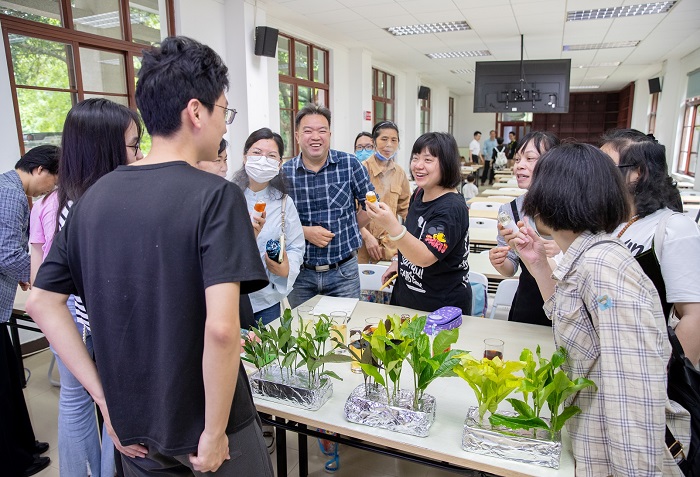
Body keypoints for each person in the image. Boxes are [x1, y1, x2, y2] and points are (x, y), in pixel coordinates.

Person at [28, 36, 273, 476]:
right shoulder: (216, 196)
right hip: (209, 424)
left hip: (133, 426)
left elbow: (42, 302)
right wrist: (214, 431)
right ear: (196, 111)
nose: (224, 124)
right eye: (224, 110)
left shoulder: (91, 199)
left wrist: (105, 400)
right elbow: (222, 330)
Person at [514, 142, 690, 476]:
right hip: (588, 442)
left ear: (550, 197)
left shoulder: (603, 266)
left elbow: (633, 393)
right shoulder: (587, 257)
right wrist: (538, 264)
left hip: (612, 459)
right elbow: (576, 325)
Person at [29, 99, 143, 477]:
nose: (140, 153)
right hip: (94, 326)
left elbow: (41, 267)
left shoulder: (63, 198)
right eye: (133, 145)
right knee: (112, 409)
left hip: (77, 320)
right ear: (105, 148)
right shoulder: (95, 208)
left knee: (78, 403)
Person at [601, 130, 700, 366]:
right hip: (607, 359)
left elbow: (694, 315)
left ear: (639, 173)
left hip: (646, 366)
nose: (596, 174)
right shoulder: (609, 222)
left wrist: (664, 377)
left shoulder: (673, 228)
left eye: (606, 167)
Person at [282, 104, 375, 308]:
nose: (315, 137)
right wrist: (304, 232)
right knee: (302, 326)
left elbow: (372, 205)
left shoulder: (349, 164)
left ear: (330, 134)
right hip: (301, 274)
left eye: (322, 130)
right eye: (308, 131)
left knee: (345, 325)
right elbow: (275, 220)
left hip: (344, 272)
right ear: (297, 136)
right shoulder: (284, 173)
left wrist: (349, 225)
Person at [0, 145, 58, 477]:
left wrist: (26, 273)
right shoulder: (11, 193)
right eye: (54, 180)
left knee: (11, 380)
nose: (52, 189)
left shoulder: (8, 187)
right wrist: (41, 278)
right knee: (3, 389)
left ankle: (25, 445)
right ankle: (16, 461)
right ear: (39, 170)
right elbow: (7, 254)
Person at [368, 132, 472, 316]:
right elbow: (413, 235)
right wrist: (398, 262)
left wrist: (392, 226)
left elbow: (425, 257)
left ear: (446, 163)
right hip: (407, 300)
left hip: (440, 307)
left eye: (428, 160)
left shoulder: (451, 208)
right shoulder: (419, 193)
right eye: (415, 158)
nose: (418, 165)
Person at [231, 128, 305, 325]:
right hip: (231, 297)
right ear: (245, 157)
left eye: (271, 156)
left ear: (279, 164)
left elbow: (296, 246)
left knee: (268, 345)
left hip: (266, 300)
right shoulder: (228, 196)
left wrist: (286, 268)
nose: (263, 160)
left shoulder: (283, 202)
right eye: (257, 153)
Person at [488, 131, 560, 326]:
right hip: (528, 301)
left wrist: (562, 249)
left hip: (567, 301)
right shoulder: (510, 210)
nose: (519, 165)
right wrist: (500, 262)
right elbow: (510, 268)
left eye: (529, 158)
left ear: (554, 162)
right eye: (518, 159)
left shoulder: (573, 205)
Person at [357, 120, 410, 264]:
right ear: (374, 142)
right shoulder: (361, 170)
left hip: (390, 249)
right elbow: (349, 213)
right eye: (384, 139)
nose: (389, 145)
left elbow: (406, 209)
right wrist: (367, 237)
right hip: (363, 248)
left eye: (394, 140)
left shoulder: (399, 173)